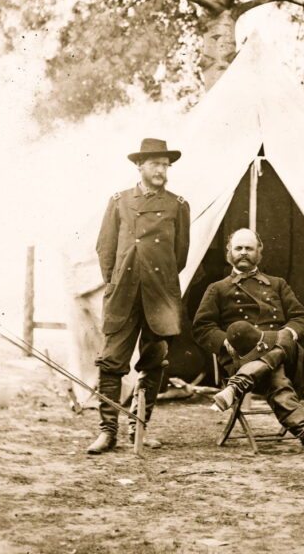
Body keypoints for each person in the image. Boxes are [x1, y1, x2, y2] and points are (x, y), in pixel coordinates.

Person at [87, 138, 190, 454]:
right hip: (124, 295)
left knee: (155, 363)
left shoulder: (178, 205)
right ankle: (107, 432)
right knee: (111, 362)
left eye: (165, 165)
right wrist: (118, 282)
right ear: (140, 166)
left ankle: (137, 429)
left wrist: (155, 276)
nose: (161, 170)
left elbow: (180, 255)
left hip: (161, 296)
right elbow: (105, 249)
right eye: (155, 164)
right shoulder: (119, 201)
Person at [193, 228, 304, 467]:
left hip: (283, 351)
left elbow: (301, 319)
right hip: (242, 355)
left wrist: (284, 335)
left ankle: (237, 385)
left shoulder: (278, 284)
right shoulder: (218, 288)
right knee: (249, 342)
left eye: (249, 248)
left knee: (277, 352)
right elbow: (202, 327)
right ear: (229, 253)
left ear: (259, 253)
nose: (243, 253)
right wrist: (225, 341)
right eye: (238, 248)